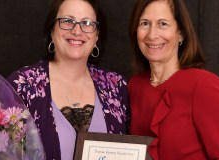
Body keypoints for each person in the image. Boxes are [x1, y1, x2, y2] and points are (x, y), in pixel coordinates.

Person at [7, 0, 129, 159]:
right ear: (52, 30)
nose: (77, 31)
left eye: (86, 23)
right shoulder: (22, 84)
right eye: (67, 21)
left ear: (97, 35)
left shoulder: (115, 85)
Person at [128, 0, 219, 159]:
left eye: (163, 24)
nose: (152, 34)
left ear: (180, 33)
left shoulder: (204, 85)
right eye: (145, 23)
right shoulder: (134, 86)